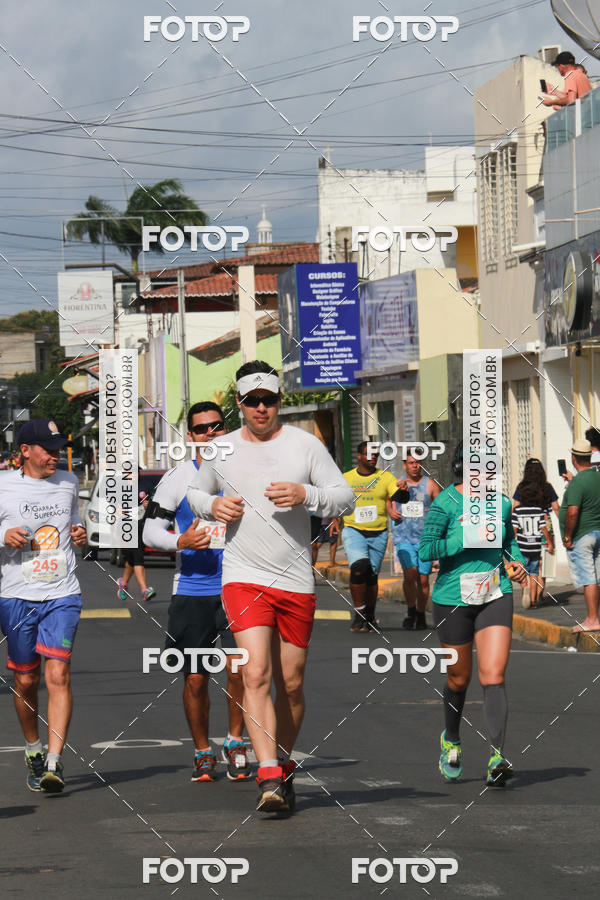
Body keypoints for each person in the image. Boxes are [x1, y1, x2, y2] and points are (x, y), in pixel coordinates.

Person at [187, 360, 355, 813]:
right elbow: (195, 493)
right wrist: (212, 506)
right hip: (244, 577)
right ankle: (268, 775)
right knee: (255, 672)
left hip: (296, 579)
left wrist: (307, 495)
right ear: (239, 403)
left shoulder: (305, 445)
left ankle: (282, 763)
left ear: (279, 400)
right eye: (252, 400)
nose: (261, 408)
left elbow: (344, 496)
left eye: (269, 400)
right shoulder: (220, 448)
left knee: (292, 684)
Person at [143, 402, 251, 783]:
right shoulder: (178, 478)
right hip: (193, 589)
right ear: (190, 436)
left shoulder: (244, 473)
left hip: (239, 585)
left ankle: (235, 741)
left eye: (216, 426)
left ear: (226, 430)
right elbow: (149, 532)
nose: (210, 434)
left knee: (240, 670)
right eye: (202, 429)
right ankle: (203, 751)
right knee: (195, 678)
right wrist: (180, 541)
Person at [418, 440, 528, 787]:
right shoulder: (445, 503)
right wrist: (460, 540)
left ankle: (497, 756)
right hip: (453, 598)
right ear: (463, 468)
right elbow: (426, 550)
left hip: (496, 594)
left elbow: (509, 543)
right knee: (458, 679)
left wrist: (518, 564)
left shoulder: (502, 503)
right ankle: (451, 739)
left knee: (493, 675)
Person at [0, 418, 87, 793]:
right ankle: (33, 748)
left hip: (62, 593)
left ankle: (53, 761)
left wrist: (79, 532)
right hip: (17, 595)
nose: (55, 455)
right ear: (25, 451)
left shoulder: (68, 482)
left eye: (58, 449)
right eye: (48, 449)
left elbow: (73, 521)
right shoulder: (3, 485)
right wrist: (3, 535)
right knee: (25, 679)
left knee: (58, 675)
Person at [342, 442, 409, 632]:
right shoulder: (347, 478)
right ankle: (359, 613)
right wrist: (334, 521)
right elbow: (337, 500)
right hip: (354, 529)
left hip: (378, 532)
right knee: (359, 567)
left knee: (371, 575)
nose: (373, 457)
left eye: (375, 454)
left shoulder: (385, 477)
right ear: (359, 456)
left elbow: (401, 498)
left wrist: (404, 490)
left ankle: (370, 615)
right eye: (368, 454)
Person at [389, 450, 441, 630]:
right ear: (405, 464)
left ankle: (420, 613)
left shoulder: (430, 484)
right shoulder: (397, 483)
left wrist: (433, 513)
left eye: (418, 462)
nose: (415, 466)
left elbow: (442, 506)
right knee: (409, 575)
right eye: (411, 463)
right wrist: (390, 511)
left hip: (425, 539)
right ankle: (411, 611)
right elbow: (386, 499)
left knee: (423, 580)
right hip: (403, 537)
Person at [559, 438, 600, 633]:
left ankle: (592, 619)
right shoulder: (596, 477)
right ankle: (595, 617)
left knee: (588, 577)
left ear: (574, 458)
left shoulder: (578, 482)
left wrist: (567, 536)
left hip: (583, 535)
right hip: (598, 532)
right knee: (597, 577)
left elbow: (573, 512)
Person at [512, 458, 559, 609]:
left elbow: (515, 507)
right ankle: (538, 595)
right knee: (542, 562)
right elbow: (556, 507)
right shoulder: (547, 487)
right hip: (544, 522)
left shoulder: (521, 487)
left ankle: (528, 589)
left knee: (529, 561)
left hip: (525, 523)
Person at [117, 473, 157, 602]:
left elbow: (155, 504)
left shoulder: (145, 486)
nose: (132, 475)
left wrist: (148, 505)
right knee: (137, 557)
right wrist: (118, 510)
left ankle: (123, 583)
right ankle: (144, 590)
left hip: (141, 527)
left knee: (132, 559)